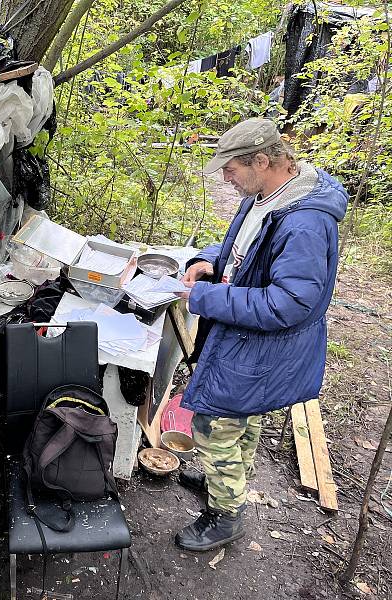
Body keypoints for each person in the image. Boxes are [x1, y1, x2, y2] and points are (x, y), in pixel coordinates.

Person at [173, 118, 347, 552]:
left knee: (214, 425)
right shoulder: (266, 196)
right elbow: (245, 251)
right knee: (241, 419)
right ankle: (226, 483)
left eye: (231, 169)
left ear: (263, 161)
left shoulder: (305, 222)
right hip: (245, 336)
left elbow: (289, 303)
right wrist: (209, 260)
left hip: (263, 345)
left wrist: (208, 299)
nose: (226, 179)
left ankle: (225, 516)